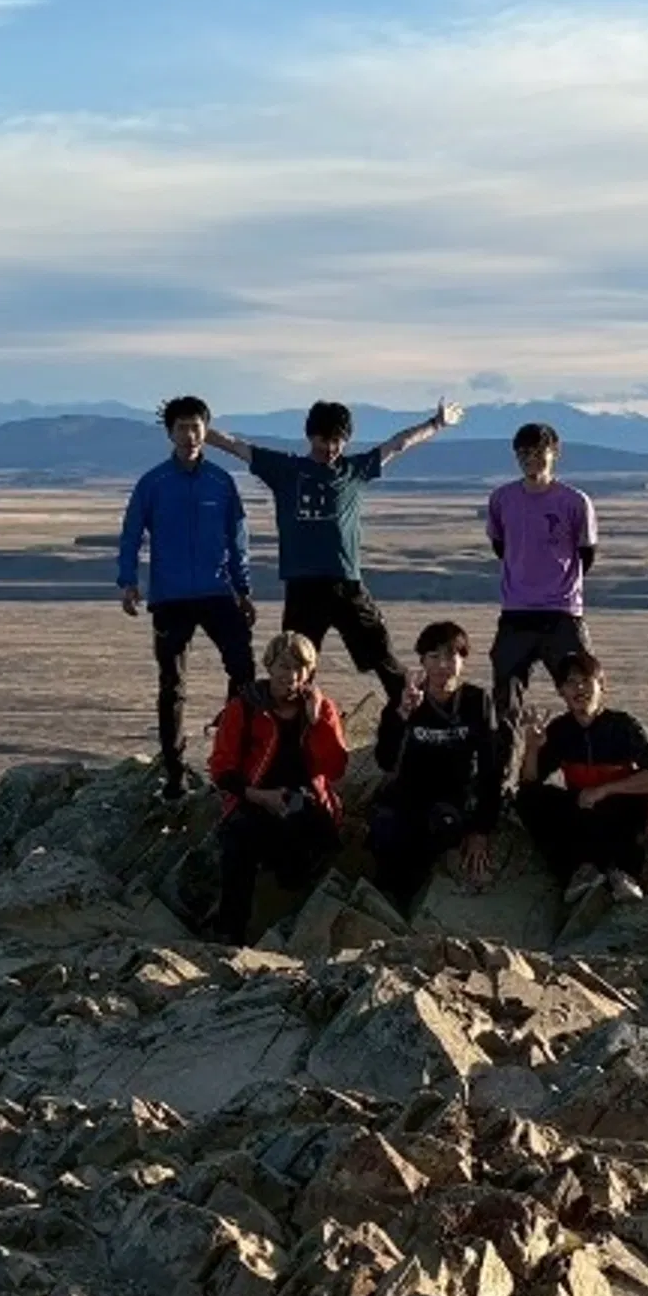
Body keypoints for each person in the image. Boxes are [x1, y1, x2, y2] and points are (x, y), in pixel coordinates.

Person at [204, 395, 461, 710]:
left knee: (384, 658)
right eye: (324, 440)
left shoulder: (354, 470)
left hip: (347, 586)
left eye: (338, 441)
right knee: (294, 665)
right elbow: (236, 446)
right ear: (311, 436)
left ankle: (412, 723)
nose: (330, 448)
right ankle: (296, 734)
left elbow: (398, 444)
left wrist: (436, 423)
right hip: (303, 588)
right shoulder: (286, 469)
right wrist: (196, 428)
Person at [117, 396, 253, 798]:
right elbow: (131, 534)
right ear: (170, 433)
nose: (189, 435)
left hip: (216, 591)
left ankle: (231, 755)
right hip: (171, 597)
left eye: (196, 427)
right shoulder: (154, 483)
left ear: (205, 431)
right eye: (181, 427)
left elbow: (238, 537)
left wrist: (242, 589)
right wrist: (128, 581)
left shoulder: (221, 482)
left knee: (243, 671)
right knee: (172, 684)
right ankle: (174, 772)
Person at [205, 629, 349, 943]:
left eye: (300, 668)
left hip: (306, 803)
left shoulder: (321, 708)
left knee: (304, 854)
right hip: (253, 800)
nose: (291, 675)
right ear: (269, 666)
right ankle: (230, 930)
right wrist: (260, 796)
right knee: (238, 842)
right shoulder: (244, 708)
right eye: (283, 666)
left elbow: (335, 768)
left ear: (310, 671)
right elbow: (221, 769)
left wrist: (317, 724)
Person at [365, 619, 507, 914]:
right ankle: (386, 902)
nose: (443, 665)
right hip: (409, 793)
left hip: (453, 796)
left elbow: (491, 767)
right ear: (422, 661)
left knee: (440, 828)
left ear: (463, 660)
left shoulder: (476, 702)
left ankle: (415, 902)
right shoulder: (406, 697)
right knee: (386, 828)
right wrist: (402, 715)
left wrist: (481, 829)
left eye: (451, 657)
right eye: (434, 657)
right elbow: (385, 759)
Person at [516, 648, 648, 884]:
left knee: (644, 802)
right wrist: (533, 748)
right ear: (560, 691)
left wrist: (605, 790)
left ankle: (624, 875)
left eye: (586, 681)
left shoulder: (624, 727)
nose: (579, 689)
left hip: (621, 809)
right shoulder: (560, 730)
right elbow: (529, 782)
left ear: (601, 686)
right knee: (528, 799)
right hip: (585, 809)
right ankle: (579, 874)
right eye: (570, 683)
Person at [484, 421, 600, 728]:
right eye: (523, 453)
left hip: (562, 612)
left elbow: (586, 552)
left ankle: (589, 759)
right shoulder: (501, 499)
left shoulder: (575, 502)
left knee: (582, 688)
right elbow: (501, 546)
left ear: (554, 454)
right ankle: (507, 767)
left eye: (538, 451)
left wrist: (558, 584)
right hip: (516, 612)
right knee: (505, 697)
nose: (530, 459)